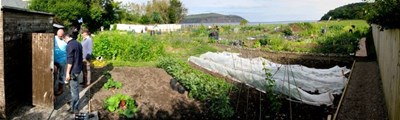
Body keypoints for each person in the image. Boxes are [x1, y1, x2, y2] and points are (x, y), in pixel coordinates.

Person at [64, 34, 83, 114]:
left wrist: (67, 73)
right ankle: (73, 102)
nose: (64, 41)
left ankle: (74, 108)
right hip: (78, 68)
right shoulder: (78, 43)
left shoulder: (69, 45)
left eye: (63, 39)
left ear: (66, 37)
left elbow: (70, 61)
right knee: (73, 88)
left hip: (73, 71)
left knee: (74, 89)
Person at [54, 29, 67, 96]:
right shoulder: (54, 38)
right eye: (59, 35)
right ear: (57, 34)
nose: (60, 37)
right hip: (54, 60)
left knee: (61, 75)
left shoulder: (65, 40)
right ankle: (53, 87)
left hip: (63, 60)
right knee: (54, 74)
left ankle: (60, 89)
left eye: (61, 35)